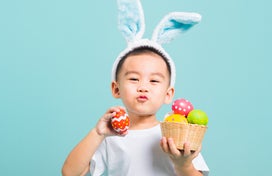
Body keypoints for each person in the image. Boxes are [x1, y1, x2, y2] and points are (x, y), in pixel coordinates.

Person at [62, 0, 209, 175]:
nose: (143, 87)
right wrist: (97, 133)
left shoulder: (177, 133)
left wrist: (183, 165)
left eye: (154, 81)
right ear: (116, 89)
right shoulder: (111, 136)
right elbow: (69, 173)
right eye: (134, 79)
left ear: (168, 94)